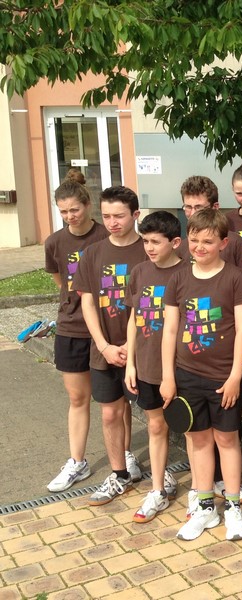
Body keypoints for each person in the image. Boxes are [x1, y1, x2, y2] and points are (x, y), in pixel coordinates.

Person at [161, 209, 242, 541]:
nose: (199, 247)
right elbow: (170, 331)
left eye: (208, 241)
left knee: (226, 440)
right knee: (198, 440)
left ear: (223, 243)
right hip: (187, 375)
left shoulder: (235, 279)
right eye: (194, 240)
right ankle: (205, 507)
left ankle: (232, 507)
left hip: (223, 378)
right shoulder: (178, 279)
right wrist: (168, 377)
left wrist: (235, 376)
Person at [72, 186, 148, 505]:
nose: (112, 223)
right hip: (104, 351)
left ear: (136, 215)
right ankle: (119, 474)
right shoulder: (92, 253)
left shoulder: (148, 249)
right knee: (109, 414)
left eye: (119, 216)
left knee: (156, 417)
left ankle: (163, 476)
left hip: (145, 350)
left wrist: (132, 347)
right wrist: (103, 346)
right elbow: (88, 303)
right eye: (106, 216)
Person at [44, 180, 109, 493]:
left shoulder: (106, 235)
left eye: (75, 209)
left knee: (113, 402)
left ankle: (123, 458)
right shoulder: (54, 242)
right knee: (78, 398)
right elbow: (61, 280)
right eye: (63, 212)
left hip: (106, 329)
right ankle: (77, 462)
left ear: (88, 205)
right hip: (71, 328)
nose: (70, 216)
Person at [124, 211, 184, 522]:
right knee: (156, 426)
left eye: (155, 242)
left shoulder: (188, 272)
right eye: (145, 241)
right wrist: (130, 364)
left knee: (193, 432)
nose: (149, 247)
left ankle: (203, 490)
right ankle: (158, 489)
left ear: (175, 242)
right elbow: (134, 320)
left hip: (182, 366)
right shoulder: (139, 272)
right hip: (147, 364)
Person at [178, 175, 242, 293]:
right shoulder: (181, 247)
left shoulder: (234, 242)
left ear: (215, 207)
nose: (193, 213)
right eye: (188, 207)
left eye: (199, 207)